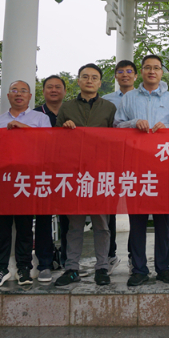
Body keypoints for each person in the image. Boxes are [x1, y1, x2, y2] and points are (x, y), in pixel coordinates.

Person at [117, 54, 169, 287]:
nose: (152, 71)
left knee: (163, 221)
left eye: (156, 68)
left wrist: (168, 127)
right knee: (138, 221)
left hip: (163, 167)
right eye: (147, 67)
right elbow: (116, 125)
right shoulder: (129, 97)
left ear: (161, 72)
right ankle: (139, 269)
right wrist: (134, 123)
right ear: (140, 72)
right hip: (136, 167)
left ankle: (164, 268)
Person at [53, 64, 117, 288]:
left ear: (100, 82)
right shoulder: (67, 107)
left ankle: (102, 267)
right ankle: (71, 268)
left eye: (94, 77)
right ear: (78, 81)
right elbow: (55, 141)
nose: (89, 81)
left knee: (102, 224)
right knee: (75, 225)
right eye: (85, 77)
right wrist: (65, 129)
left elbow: (116, 141)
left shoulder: (109, 108)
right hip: (74, 173)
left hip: (100, 174)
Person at [0, 80, 52, 288]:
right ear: (8, 96)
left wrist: (25, 129)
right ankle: (0, 268)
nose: (19, 94)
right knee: (1, 227)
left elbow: (49, 143)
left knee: (24, 226)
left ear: (30, 96)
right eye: (14, 90)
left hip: (28, 178)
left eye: (23, 91)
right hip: (3, 179)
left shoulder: (40, 119)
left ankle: (24, 267)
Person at [103, 60, 139, 274]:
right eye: (120, 71)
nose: (125, 74)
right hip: (111, 160)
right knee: (109, 208)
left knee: (136, 209)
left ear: (135, 75)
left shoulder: (142, 98)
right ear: (115, 75)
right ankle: (109, 255)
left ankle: (135, 256)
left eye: (129, 71)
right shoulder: (106, 101)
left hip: (137, 160)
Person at [33, 75, 67, 283]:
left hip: (68, 173)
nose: (54, 90)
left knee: (69, 218)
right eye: (49, 87)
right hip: (43, 173)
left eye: (58, 87)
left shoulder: (71, 111)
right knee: (43, 218)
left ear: (64, 91)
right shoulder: (35, 114)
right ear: (43, 90)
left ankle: (68, 261)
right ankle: (44, 263)